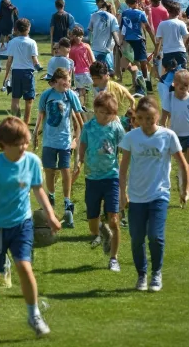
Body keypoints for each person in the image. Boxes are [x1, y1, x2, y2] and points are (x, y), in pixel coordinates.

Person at [0, 116, 59, 343]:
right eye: (18, 144)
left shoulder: (32, 161)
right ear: (3, 144)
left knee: (24, 266)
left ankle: (34, 316)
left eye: (25, 142)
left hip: (22, 224)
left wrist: (50, 215)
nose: (23, 147)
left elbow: (38, 190)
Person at [119, 96, 189, 292]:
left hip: (159, 195)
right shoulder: (131, 138)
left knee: (155, 236)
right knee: (136, 238)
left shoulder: (168, 136)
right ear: (137, 119)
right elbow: (123, 169)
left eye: (150, 118)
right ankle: (142, 275)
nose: (147, 122)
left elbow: (184, 165)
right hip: (136, 196)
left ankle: (156, 273)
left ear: (157, 116)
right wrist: (122, 194)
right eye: (142, 118)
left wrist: (185, 190)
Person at [75, 92, 126, 272]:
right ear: (95, 110)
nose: (106, 116)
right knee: (92, 221)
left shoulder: (116, 128)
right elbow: (82, 145)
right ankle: (100, 232)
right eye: (103, 112)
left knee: (114, 219)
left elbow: (125, 149)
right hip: (92, 178)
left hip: (111, 177)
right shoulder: (88, 127)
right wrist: (79, 162)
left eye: (109, 113)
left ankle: (114, 258)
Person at [32, 68, 84, 227]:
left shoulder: (71, 96)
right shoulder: (47, 96)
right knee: (49, 169)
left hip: (64, 142)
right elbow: (40, 117)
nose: (67, 84)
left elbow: (80, 121)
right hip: (48, 141)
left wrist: (79, 139)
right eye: (64, 82)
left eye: (68, 81)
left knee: (65, 170)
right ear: (54, 82)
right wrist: (35, 134)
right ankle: (51, 196)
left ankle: (67, 201)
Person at [2, 18, 42, 124]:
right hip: (28, 73)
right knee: (29, 100)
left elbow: (9, 61)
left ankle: (14, 122)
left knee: (15, 98)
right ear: (28, 29)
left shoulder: (12, 42)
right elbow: (34, 59)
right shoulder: (32, 42)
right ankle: (25, 123)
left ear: (16, 29)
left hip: (16, 72)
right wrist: (38, 67)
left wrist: (6, 76)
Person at [168, 69, 189, 190]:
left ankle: (188, 178)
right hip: (176, 134)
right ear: (175, 85)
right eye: (181, 88)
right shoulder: (170, 98)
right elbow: (166, 114)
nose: (184, 90)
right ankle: (186, 173)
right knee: (183, 161)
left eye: (186, 87)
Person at [120, 0, 156, 93]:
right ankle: (146, 85)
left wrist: (120, 42)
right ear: (137, 2)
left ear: (127, 4)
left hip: (128, 41)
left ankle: (138, 85)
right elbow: (148, 28)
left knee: (134, 63)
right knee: (143, 63)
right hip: (138, 40)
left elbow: (122, 29)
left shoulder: (124, 13)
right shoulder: (140, 13)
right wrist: (154, 41)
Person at [154, 1, 189, 71]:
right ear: (179, 12)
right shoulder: (181, 23)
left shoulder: (162, 24)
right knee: (181, 73)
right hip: (180, 51)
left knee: (169, 72)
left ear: (168, 11)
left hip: (167, 52)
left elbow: (157, 40)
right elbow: (186, 37)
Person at [69, 26, 95, 106]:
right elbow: (71, 62)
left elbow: (92, 59)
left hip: (87, 72)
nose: (78, 38)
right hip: (77, 73)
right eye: (76, 36)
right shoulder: (71, 48)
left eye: (80, 36)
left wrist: (94, 69)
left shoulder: (86, 46)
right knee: (82, 90)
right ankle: (82, 106)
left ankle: (84, 106)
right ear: (73, 36)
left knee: (87, 91)